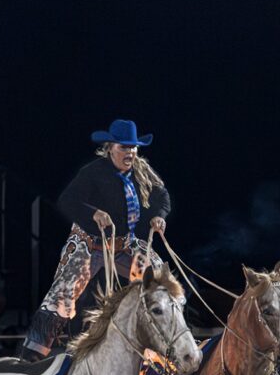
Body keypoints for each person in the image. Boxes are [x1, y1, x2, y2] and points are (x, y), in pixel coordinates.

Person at [20, 119, 169, 360]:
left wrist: (159, 217)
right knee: (62, 294)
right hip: (89, 243)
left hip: (123, 244)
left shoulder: (141, 171)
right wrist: (93, 213)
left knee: (159, 277)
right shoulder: (93, 172)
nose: (130, 152)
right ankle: (31, 357)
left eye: (133, 147)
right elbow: (67, 200)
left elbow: (162, 196)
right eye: (124, 147)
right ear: (110, 148)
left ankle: (166, 341)